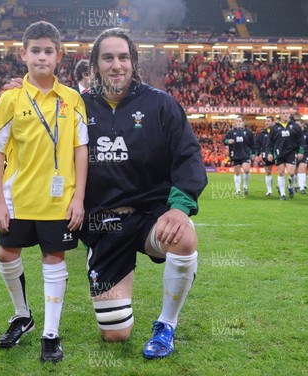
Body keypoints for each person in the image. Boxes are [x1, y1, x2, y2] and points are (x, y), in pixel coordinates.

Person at [80, 28, 207, 360]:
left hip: (152, 215)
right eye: (108, 57)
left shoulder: (160, 104)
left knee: (184, 238)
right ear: (95, 64)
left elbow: (188, 157)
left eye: (123, 57)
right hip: (104, 223)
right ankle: (100, 262)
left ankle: (166, 324)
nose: (116, 65)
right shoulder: (78, 107)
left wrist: (179, 208)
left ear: (133, 62)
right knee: (115, 334)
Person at [0, 21, 88, 364]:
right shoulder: (11, 98)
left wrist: (79, 198)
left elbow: (80, 150)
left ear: (59, 56)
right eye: (35, 50)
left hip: (60, 199)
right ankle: (23, 315)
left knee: (53, 260)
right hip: (18, 197)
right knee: (5, 254)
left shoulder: (72, 99)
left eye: (49, 51)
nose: (42, 57)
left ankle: (50, 334)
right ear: (23, 54)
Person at [265, 107, 305, 200]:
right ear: (280, 115)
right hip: (279, 153)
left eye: (287, 113)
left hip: (291, 152)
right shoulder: (275, 128)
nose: (285, 115)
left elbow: (301, 141)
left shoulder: (295, 126)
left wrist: (301, 151)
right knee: (281, 172)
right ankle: (282, 194)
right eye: (283, 113)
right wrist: (269, 153)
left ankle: (290, 186)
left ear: (289, 114)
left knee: (291, 173)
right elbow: (270, 142)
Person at [224, 115, 254, 195]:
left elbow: (253, 143)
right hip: (235, 154)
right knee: (237, 173)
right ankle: (237, 190)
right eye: (237, 121)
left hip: (245, 154)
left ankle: (245, 186)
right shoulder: (230, 132)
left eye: (240, 121)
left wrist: (254, 153)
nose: (238, 123)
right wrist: (228, 141)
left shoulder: (248, 132)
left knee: (246, 170)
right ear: (235, 122)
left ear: (243, 122)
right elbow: (224, 140)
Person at [255, 116, 275, 196]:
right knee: (268, 172)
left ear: (273, 122)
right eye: (266, 121)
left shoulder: (277, 131)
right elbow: (257, 145)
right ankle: (269, 191)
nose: (267, 122)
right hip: (266, 154)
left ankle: (280, 187)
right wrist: (256, 154)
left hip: (277, 153)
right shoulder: (262, 133)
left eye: (269, 121)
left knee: (281, 171)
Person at [295, 120, 308, 194]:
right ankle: (297, 185)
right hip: (294, 154)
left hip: (305, 153)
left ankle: (302, 187)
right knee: (295, 171)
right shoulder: (293, 133)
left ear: (302, 125)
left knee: (302, 169)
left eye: (298, 125)